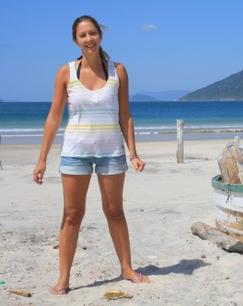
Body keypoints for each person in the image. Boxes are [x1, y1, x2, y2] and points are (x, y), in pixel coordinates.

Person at [33, 15, 150, 295]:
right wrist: (42, 158)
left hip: (111, 152)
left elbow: (125, 115)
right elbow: (53, 117)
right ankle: (64, 278)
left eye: (92, 33)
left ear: (101, 36)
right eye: (82, 35)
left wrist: (133, 152)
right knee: (72, 215)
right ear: (75, 40)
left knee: (115, 211)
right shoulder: (66, 73)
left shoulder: (118, 71)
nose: (89, 39)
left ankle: (126, 268)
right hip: (75, 154)